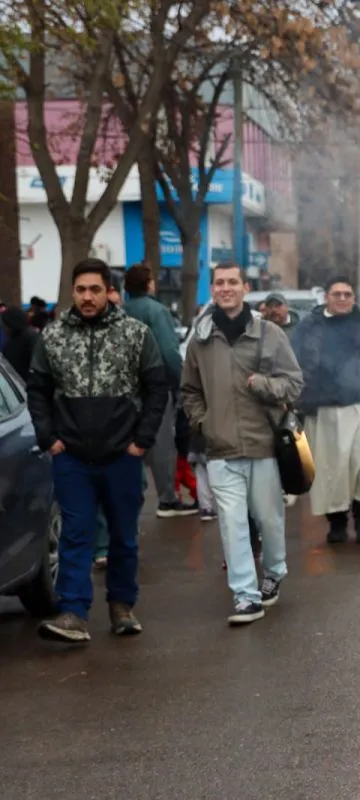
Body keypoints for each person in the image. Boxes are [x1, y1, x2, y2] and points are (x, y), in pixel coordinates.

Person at [27, 258, 170, 643]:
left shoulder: (135, 334)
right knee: (76, 533)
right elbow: (37, 390)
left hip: (122, 454)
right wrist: (48, 438)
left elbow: (158, 388)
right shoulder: (53, 336)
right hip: (71, 455)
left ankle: (122, 606)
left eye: (94, 289)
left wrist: (142, 440)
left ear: (108, 291)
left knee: (123, 534)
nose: (87, 297)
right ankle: (73, 612)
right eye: (80, 290)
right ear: (72, 292)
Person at [180, 262, 303, 624]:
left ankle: (275, 572)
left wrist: (262, 384)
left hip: (264, 445)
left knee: (268, 519)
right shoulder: (200, 338)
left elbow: (293, 384)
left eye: (233, 282)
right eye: (219, 283)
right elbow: (189, 389)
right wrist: (202, 421)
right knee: (232, 523)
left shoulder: (268, 333)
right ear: (212, 288)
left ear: (245, 287)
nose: (226, 288)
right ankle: (245, 596)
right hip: (220, 448)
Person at [291, 277, 360, 544]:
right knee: (330, 471)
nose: (342, 299)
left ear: (353, 298)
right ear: (326, 297)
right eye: (336, 294)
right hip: (323, 408)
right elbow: (294, 362)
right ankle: (336, 524)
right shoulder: (309, 327)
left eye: (347, 294)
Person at [122, 263, 195, 518]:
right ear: (149, 284)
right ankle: (168, 499)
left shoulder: (120, 312)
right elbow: (169, 352)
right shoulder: (157, 311)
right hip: (155, 387)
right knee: (162, 445)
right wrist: (180, 382)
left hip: (125, 390)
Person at [2, 306, 39, 381]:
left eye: (5, 326)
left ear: (11, 325)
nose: (4, 329)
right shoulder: (15, 338)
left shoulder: (29, 338)